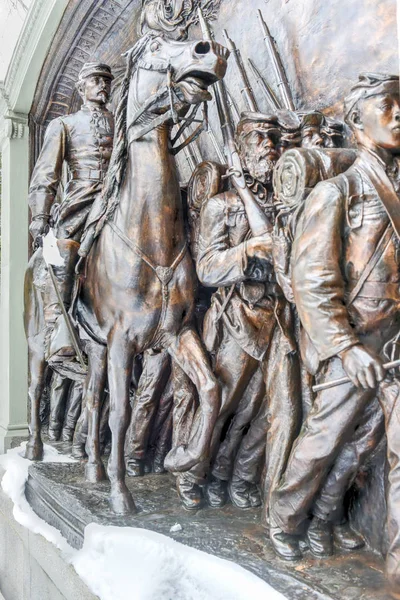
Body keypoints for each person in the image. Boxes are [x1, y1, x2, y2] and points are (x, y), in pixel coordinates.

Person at [270, 74, 400, 595]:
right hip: (353, 348)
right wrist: (345, 348)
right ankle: (284, 520)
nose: (399, 113)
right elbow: (314, 279)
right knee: (325, 440)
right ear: (357, 120)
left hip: (391, 347)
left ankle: (324, 519)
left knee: (365, 444)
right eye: (387, 105)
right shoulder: (338, 190)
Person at [175, 112, 300, 511]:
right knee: (226, 402)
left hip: (277, 320)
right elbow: (207, 268)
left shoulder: (285, 203)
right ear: (241, 149)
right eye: (261, 138)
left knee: (262, 412)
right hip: (237, 319)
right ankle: (193, 473)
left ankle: (237, 476)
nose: (270, 146)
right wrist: (247, 251)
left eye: (275, 140)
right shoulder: (221, 206)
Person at [28, 62, 114, 362]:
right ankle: (58, 330)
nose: (102, 85)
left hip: (118, 193)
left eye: (106, 81)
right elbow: (45, 175)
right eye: (95, 80)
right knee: (63, 251)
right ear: (82, 88)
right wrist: (40, 216)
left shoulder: (122, 122)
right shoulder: (63, 124)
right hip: (82, 198)